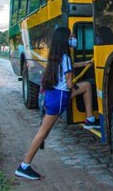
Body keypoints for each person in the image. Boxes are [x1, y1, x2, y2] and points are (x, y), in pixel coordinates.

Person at [15, 27, 98, 180]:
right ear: (65, 40)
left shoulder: (56, 56)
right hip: (60, 99)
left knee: (85, 87)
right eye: (71, 36)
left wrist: (84, 63)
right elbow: (68, 84)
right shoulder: (65, 57)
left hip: (53, 96)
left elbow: (68, 68)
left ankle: (90, 118)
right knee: (42, 133)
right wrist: (73, 82)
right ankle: (24, 166)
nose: (73, 39)